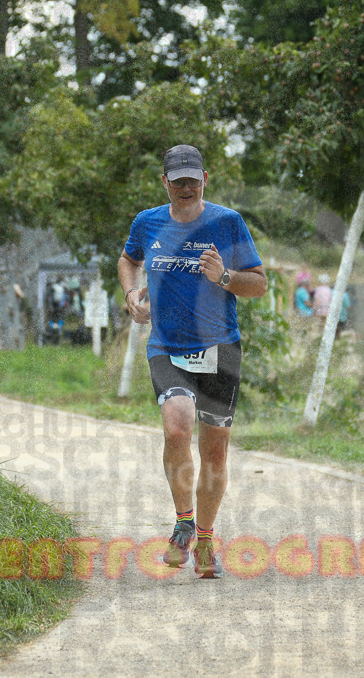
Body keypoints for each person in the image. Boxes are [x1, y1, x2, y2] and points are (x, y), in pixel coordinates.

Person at [117, 144, 266, 579]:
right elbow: (129, 260)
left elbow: (258, 284)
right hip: (167, 345)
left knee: (214, 451)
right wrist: (131, 294)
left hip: (220, 348)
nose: (186, 187)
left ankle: (205, 538)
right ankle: (183, 522)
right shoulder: (147, 222)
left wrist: (222, 275)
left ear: (205, 179)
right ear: (164, 182)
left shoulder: (227, 223)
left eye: (192, 179)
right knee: (176, 426)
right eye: (177, 180)